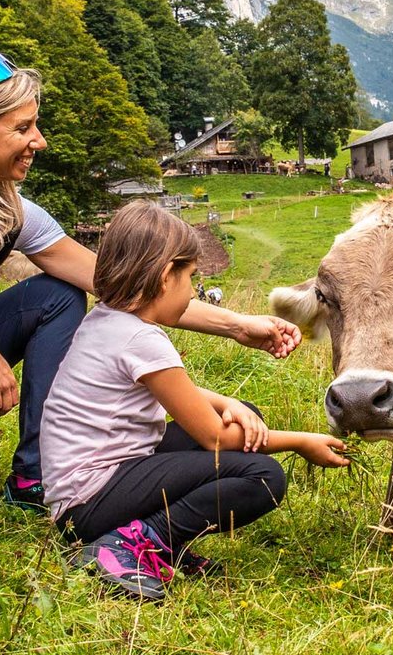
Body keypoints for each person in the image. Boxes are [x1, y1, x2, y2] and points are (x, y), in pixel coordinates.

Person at [0, 52, 304, 509]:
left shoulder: (10, 212)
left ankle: (35, 475)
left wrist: (239, 326)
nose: (38, 142)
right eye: (22, 129)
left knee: (57, 293)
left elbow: (125, 284)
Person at [41, 201, 350, 601]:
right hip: (90, 501)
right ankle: (134, 545)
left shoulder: (107, 320)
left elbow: (156, 391)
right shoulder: (142, 339)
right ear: (166, 276)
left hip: (86, 491)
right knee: (263, 476)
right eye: (190, 277)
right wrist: (301, 441)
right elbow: (215, 441)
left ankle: (161, 545)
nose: (192, 292)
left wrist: (226, 401)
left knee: (246, 419)